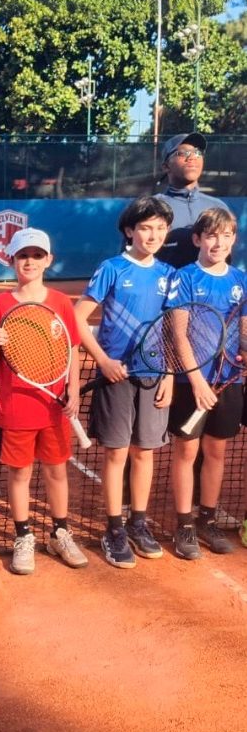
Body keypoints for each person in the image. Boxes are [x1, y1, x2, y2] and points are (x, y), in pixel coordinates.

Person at [75, 197, 174, 568]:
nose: (153, 235)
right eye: (145, 227)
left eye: (160, 228)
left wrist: (169, 374)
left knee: (144, 452)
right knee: (116, 454)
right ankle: (114, 529)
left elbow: (172, 329)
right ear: (129, 231)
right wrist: (103, 361)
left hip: (154, 376)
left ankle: (138, 523)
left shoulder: (169, 274)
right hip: (115, 377)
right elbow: (77, 318)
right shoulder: (112, 268)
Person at [0, 227, 87, 575]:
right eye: (23, 256)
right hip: (16, 406)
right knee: (20, 474)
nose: (29, 261)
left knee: (57, 471)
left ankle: (60, 533)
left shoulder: (60, 302)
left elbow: (72, 350)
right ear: (11, 260)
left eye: (37, 255)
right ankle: (23, 536)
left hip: (55, 408)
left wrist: (74, 390)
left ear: (48, 260)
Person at [168, 208, 245, 560]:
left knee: (217, 451)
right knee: (186, 452)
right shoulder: (184, 277)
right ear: (198, 239)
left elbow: (244, 329)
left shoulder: (241, 280)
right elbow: (179, 334)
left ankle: (207, 520)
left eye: (226, 235)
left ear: (234, 239)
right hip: (191, 382)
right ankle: (184, 524)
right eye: (212, 235)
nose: (219, 242)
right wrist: (196, 380)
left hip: (228, 381)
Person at [156, 132, 231, 270]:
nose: (192, 157)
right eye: (182, 153)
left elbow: (225, 264)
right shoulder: (152, 208)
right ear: (166, 166)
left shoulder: (218, 207)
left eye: (197, 152)